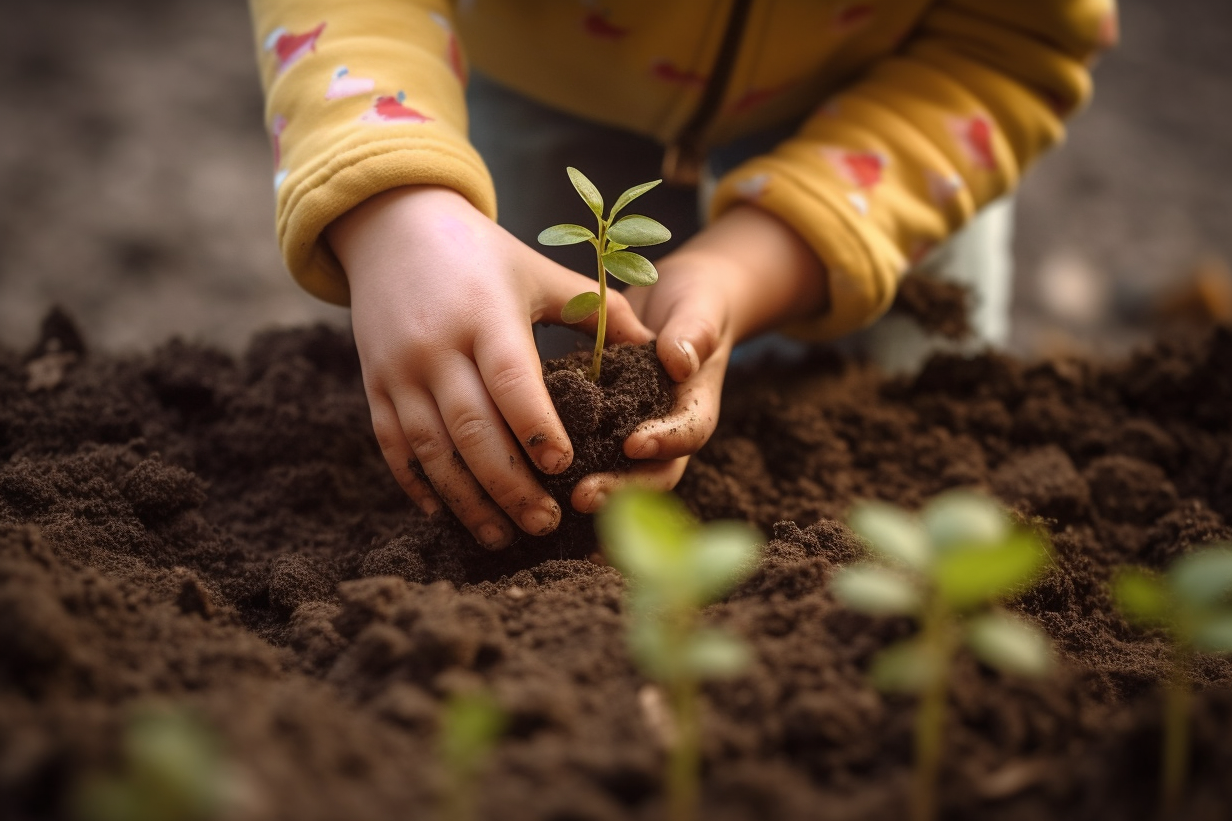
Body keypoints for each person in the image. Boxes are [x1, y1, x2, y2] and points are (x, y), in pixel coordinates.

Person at [248, 0, 1118, 550]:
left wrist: (752, 263)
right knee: (493, 370)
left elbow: (1012, 38)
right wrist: (398, 205)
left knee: (898, 439)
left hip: (897, 129)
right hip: (532, 73)